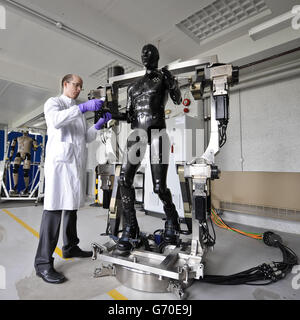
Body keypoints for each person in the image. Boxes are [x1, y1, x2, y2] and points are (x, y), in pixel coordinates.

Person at [34, 74, 111, 284]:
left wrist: (98, 125)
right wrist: (83, 108)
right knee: (54, 210)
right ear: (65, 84)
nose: (78, 89)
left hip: (74, 166)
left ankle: (70, 247)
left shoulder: (77, 111)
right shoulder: (54, 103)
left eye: (80, 86)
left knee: (71, 208)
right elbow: (55, 121)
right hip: (60, 166)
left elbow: (84, 137)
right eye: (75, 85)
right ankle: (42, 264)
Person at [112, 44, 182, 256]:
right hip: (137, 134)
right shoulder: (133, 87)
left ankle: (172, 219)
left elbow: (178, 99)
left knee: (159, 187)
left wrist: (172, 82)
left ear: (157, 56)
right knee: (124, 179)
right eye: (142, 52)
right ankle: (131, 228)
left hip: (158, 132)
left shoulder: (162, 78)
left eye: (149, 52)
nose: (145, 55)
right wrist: (111, 114)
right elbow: (130, 116)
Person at [9, 130, 39, 195]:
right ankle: (15, 186)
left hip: (27, 154)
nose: (25, 131)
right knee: (15, 169)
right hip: (19, 154)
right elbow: (12, 147)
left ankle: (26, 188)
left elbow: (35, 148)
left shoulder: (32, 139)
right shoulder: (17, 138)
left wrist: (35, 146)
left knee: (26, 171)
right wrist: (10, 156)